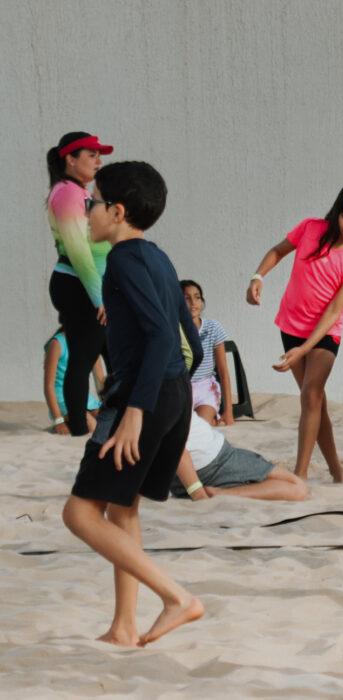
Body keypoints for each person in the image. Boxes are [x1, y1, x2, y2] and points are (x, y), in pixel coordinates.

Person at [60, 160, 206, 647]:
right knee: (121, 510)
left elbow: (163, 333)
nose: (86, 211)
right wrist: (168, 395)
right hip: (172, 394)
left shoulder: (123, 260)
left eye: (93, 202)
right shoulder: (159, 257)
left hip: (141, 398)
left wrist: (137, 409)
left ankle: (176, 598)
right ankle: (124, 627)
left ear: (117, 211)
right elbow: (192, 341)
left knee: (79, 514)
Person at [246, 182, 343, 482]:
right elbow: (277, 251)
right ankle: (336, 471)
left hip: (325, 334)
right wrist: (257, 276)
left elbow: (333, 312)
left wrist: (304, 349)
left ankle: (300, 475)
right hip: (291, 326)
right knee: (313, 402)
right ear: (337, 211)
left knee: (311, 394)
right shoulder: (309, 228)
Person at [46, 131, 114, 436]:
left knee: (111, 356)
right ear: (70, 160)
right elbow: (79, 253)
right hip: (80, 286)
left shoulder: (80, 192)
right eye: (91, 155)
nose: (98, 161)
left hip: (89, 286)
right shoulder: (67, 193)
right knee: (83, 360)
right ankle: (78, 431)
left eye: (99, 155)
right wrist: (100, 299)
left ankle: (109, 421)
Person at [171, 411, 308, 501]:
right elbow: (177, 446)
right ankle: (221, 493)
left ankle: (220, 491)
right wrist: (198, 493)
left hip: (180, 475)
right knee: (297, 486)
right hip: (211, 460)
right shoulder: (165, 376)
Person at [180, 280, 235, 426]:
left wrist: (228, 411)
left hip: (205, 388)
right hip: (181, 388)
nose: (193, 302)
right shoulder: (175, 330)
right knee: (184, 426)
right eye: (186, 298)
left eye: (197, 297)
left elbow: (223, 371)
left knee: (202, 425)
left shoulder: (213, 328)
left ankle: (212, 416)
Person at [44, 328, 105, 435]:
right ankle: (65, 421)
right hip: (63, 397)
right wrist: (59, 421)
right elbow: (49, 386)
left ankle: (71, 422)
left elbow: (101, 380)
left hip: (83, 395)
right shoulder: (57, 344)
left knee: (108, 423)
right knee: (92, 427)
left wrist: (109, 404)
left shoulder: (92, 342)